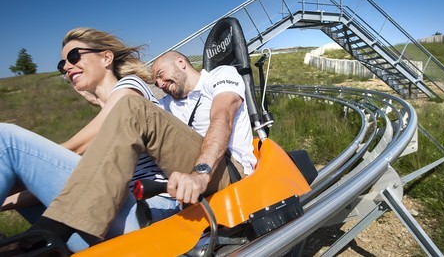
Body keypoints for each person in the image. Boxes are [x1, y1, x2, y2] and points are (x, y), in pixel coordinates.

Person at [3, 49, 257, 252]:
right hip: (179, 184)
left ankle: (49, 236)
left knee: (133, 107)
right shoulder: (166, 106)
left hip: (226, 171)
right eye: (155, 79)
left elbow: (222, 118)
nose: (159, 82)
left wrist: (201, 172)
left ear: (181, 62)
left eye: (160, 73)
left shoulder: (220, 76)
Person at [0, 28, 180, 252]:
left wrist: (21, 165)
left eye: (74, 57)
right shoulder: (109, 110)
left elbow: (75, 149)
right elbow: (74, 180)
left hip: (151, 211)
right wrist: (8, 199)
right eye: (61, 64)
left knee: (6, 140)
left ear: (106, 57)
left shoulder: (131, 90)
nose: (66, 67)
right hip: (115, 215)